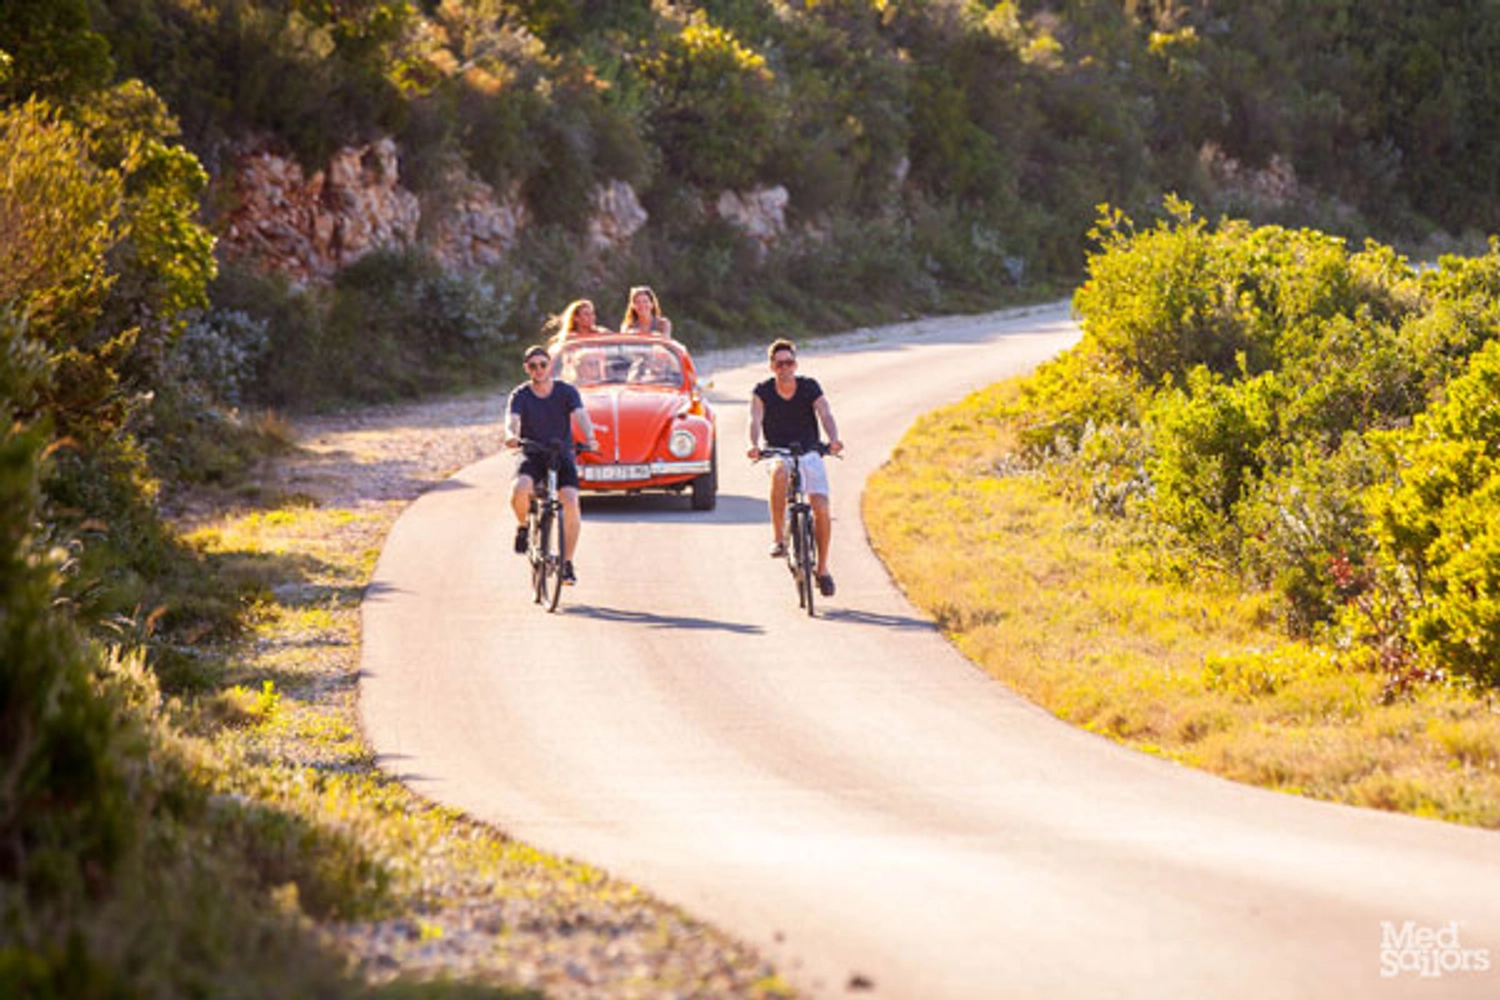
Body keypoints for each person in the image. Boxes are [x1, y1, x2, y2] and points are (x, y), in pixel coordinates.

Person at [746, 338, 844, 597]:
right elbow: (754, 419)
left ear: (795, 364)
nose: (785, 368)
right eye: (779, 364)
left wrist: (833, 439)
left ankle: (822, 570)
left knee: (821, 507)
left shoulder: (810, 387)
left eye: (789, 363)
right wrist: (754, 444)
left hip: (810, 451)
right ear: (771, 367)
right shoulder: (762, 391)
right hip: (778, 450)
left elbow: (825, 413)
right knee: (779, 472)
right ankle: (778, 539)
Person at [504, 344, 599, 585]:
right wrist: (510, 435)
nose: (538, 370)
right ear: (527, 369)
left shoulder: (566, 391)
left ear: (550, 366)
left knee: (570, 501)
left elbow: (581, 415)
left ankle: (566, 563)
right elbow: (512, 420)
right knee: (520, 488)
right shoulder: (521, 395)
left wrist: (590, 438)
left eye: (543, 365)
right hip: (533, 453)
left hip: (561, 453)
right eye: (533, 366)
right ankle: (523, 526)